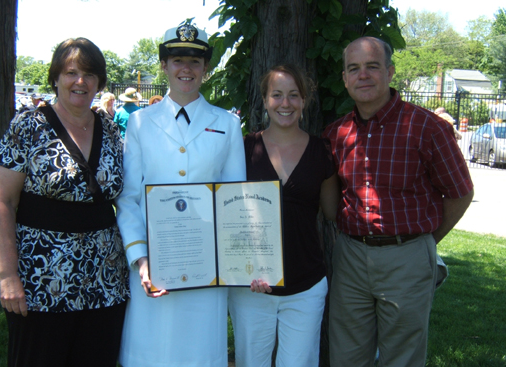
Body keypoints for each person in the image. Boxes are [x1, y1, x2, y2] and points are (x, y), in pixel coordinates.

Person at [322, 36, 474, 367]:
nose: (363, 75)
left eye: (372, 66)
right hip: (349, 257)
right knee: (346, 356)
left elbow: (460, 193)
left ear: (390, 72)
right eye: (354, 68)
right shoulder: (337, 134)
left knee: (401, 358)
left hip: (407, 257)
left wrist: (424, 242)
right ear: (345, 79)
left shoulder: (427, 128)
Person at [0, 37, 129, 367]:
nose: (80, 82)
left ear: (100, 82)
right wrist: (8, 275)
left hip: (104, 283)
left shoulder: (110, 131)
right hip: (41, 282)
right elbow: (1, 202)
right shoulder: (27, 127)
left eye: (90, 74)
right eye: (71, 72)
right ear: (55, 78)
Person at [115, 23, 246, 367]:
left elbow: (234, 201)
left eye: (195, 60)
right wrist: (140, 258)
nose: (186, 69)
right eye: (176, 60)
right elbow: (128, 197)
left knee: (199, 354)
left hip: (206, 268)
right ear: (163, 65)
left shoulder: (228, 124)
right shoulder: (141, 122)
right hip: (154, 266)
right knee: (151, 353)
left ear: (206, 67)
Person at [228, 64, 340, 367]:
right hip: (253, 286)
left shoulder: (321, 151)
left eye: (293, 95)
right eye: (277, 95)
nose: (285, 103)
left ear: (304, 100)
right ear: (265, 100)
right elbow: (228, 217)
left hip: (306, 285)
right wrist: (241, 269)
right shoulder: (245, 148)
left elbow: (331, 211)